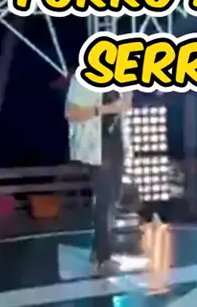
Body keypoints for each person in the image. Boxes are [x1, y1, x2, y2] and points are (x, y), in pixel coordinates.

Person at [65, 74, 132, 274]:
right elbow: (71, 113)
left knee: (113, 199)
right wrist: (105, 109)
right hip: (97, 148)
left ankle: (97, 250)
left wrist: (127, 95)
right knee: (104, 201)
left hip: (116, 145)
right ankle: (104, 258)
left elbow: (124, 108)